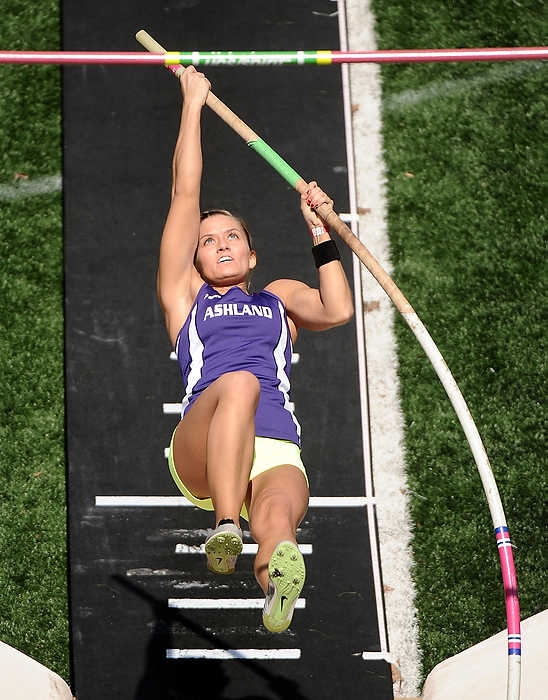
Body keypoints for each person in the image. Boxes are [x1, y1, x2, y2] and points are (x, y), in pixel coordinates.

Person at [160, 66, 354, 634]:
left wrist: (321, 233)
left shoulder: (279, 299)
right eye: (207, 242)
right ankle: (225, 524)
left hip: (275, 442)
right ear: (194, 261)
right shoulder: (185, 297)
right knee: (241, 381)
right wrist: (193, 104)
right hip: (203, 442)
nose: (219, 245)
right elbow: (184, 193)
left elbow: (337, 309)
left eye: (232, 238)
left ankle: (273, 591)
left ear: (251, 254)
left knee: (279, 525)